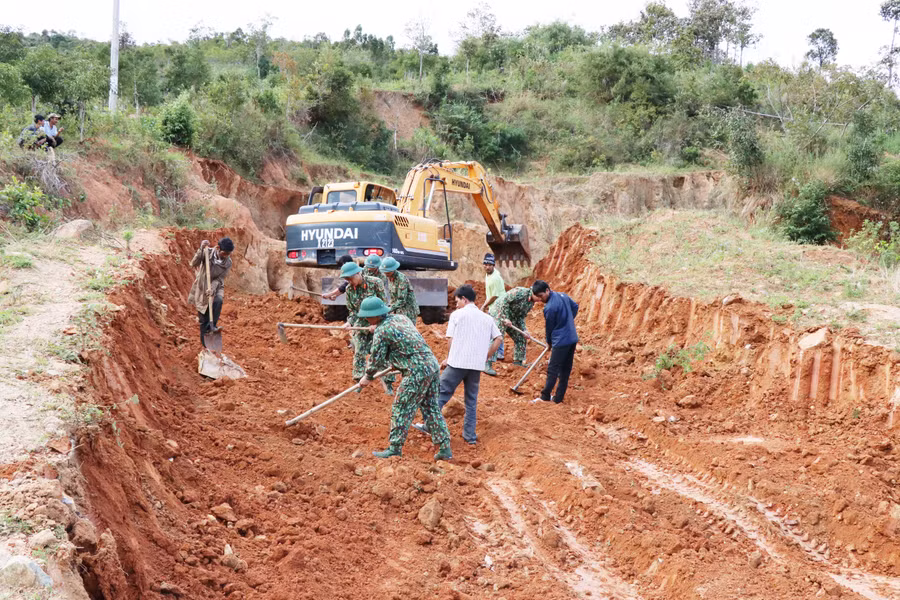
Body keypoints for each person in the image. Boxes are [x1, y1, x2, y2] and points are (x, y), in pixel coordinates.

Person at [357, 297, 453, 461]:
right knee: (430, 408)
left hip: (416, 371)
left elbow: (376, 359)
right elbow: (406, 343)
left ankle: (394, 449)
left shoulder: (382, 331)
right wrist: (398, 361)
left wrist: (367, 377)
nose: (366, 319)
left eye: (368, 316)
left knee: (401, 408)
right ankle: (445, 448)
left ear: (376, 315)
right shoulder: (401, 318)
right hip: (431, 365)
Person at [415, 285, 500, 445]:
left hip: (457, 362)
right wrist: (485, 357)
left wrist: (448, 358)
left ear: (464, 299)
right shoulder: (487, 318)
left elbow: (450, 339)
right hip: (476, 365)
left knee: (439, 394)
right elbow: (498, 339)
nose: (456, 304)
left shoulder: (457, 315)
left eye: (457, 301)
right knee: (471, 400)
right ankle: (470, 437)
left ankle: (428, 426)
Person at [340, 261, 395, 394]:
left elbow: (384, 306)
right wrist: (349, 323)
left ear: (358, 273)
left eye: (351, 279)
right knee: (359, 351)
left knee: (381, 353)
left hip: (378, 322)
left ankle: (388, 384)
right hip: (361, 323)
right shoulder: (349, 290)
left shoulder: (375, 283)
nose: (350, 282)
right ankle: (359, 382)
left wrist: (376, 324)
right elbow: (353, 311)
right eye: (347, 280)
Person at [531, 280, 579, 404]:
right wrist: (568, 320)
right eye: (538, 297)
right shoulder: (563, 295)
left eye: (541, 296)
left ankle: (545, 396)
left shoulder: (550, 308)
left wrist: (549, 343)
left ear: (548, 290)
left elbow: (549, 329)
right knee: (565, 369)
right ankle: (558, 398)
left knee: (553, 369)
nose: (541, 300)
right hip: (572, 338)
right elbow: (575, 307)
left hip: (561, 341)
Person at [188, 238, 234, 348]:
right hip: (202, 286)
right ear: (218, 248)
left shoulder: (228, 262)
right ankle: (205, 345)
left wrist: (212, 289)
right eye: (224, 253)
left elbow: (220, 278)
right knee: (203, 317)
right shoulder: (206, 253)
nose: (226, 256)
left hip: (217, 286)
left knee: (218, 301)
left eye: (228, 254)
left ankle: (212, 326)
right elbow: (193, 263)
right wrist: (200, 249)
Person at [486, 286, 536, 373]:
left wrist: (524, 330)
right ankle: (486, 363)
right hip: (499, 312)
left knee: (521, 337)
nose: (540, 299)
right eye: (539, 297)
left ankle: (518, 362)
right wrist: (505, 317)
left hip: (511, 316)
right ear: (534, 292)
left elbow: (521, 317)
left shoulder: (531, 303)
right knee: (498, 335)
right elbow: (504, 300)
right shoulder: (520, 292)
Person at [480, 252, 506, 361]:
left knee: (496, 330)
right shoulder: (488, 274)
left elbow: (495, 296)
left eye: (490, 265)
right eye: (485, 264)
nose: (487, 267)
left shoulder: (495, 278)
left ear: (493, 265)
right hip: (493, 306)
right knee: (494, 329)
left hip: (498, 306)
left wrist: (484, 305)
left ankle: (499, 353)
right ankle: (496, 352)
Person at [380, 257, 418, 323]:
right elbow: (393, 296)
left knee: (407, 331)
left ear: (393, 270)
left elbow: (401, 300)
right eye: (385, 272)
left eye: (388, 273)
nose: (386, 274)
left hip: (408, 311)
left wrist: (389, 309)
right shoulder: (390, 277)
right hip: (398, 310)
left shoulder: (401, 279)